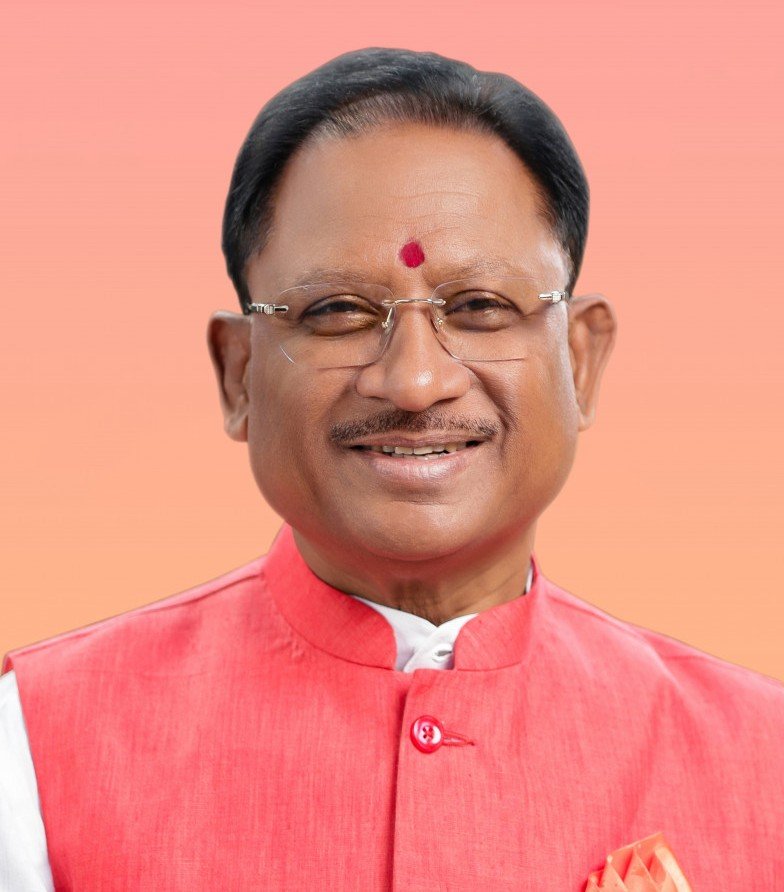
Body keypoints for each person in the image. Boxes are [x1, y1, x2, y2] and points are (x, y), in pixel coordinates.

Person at [1, 47, 782, 891]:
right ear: (239, 374)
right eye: (338, 311)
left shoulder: (762, 759)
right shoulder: (32, 747)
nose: (414, 382)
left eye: (479, 306)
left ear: (582, 360)